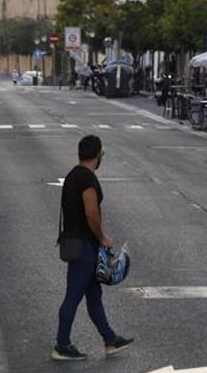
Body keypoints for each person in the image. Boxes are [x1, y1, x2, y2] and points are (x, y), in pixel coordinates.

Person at [53, 135, 132, 361]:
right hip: (85, 246)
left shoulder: (71, 176)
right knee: (73, 296)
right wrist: (103, 237)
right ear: (98, 155)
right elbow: (91, 212)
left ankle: (110, 339)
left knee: (94, 295)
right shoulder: (87, 179)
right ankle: (62, 345)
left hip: (75, 242)